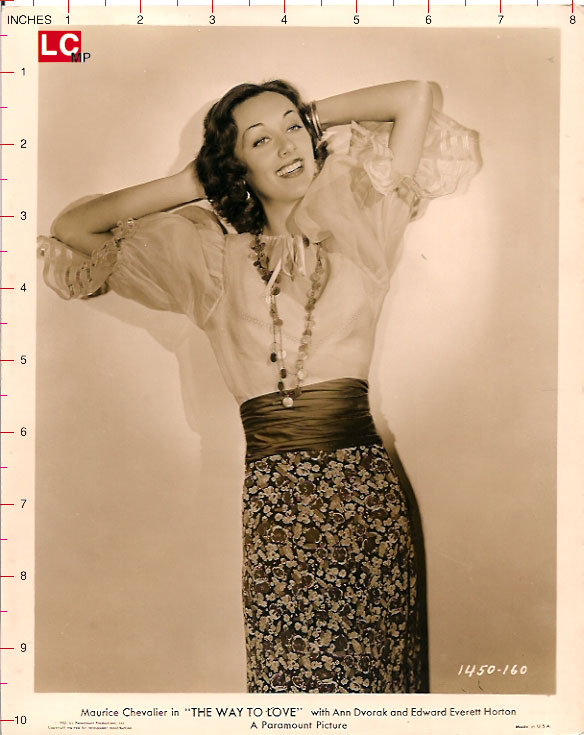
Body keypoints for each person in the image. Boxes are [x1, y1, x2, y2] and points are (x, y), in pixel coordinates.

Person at [39, 79, 481, 693]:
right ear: (236, 165)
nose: (286, 146)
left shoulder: (367, 223)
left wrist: (307, 117)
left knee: (376, 691)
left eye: (292, 128)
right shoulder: (211, 262)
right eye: (260, 140)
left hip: (367, 500)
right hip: (276, 506)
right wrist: (194, 180)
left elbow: (414, 96)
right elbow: (73, 227)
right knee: (290, 688)